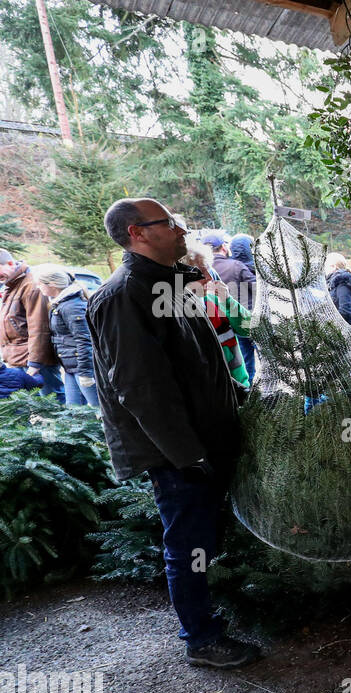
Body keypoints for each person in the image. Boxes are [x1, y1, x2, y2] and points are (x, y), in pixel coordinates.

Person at [87, 197, 258, 669]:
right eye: (170, 223)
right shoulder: (123, 295)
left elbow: (206, 365)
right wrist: (186, 454)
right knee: (190, 544)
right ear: (137, 233)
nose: (182, 229)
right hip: (178, 454)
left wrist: (236, 408)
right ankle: (202, 638)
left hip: (208, 438)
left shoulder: (174, 283)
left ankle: (214, 615)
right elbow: (139, 388)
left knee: (208, 536)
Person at [180, 238, 250, 389]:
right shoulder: (177, 313)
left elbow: (248, 327)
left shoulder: (215, 300)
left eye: (208, 269)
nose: (209, 278)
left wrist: (227, 300)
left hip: (241, 386)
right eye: (199, 273)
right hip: (213, 394)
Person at [31, 265, 97, 407]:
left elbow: (85, 340)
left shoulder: (72, 306)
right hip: (71, 368)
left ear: (52, 284)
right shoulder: (60, 304)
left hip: (82, 369)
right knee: (74, 412)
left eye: (40, 284)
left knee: (101, 409)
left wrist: (86, 373)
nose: (38, 288)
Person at [0, 249, 61, 401]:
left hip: (35, 361)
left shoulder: (31, 286)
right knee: (28, 406)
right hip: (17, 358)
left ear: (10, 263)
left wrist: (35, 363)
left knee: (53, 401)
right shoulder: (10, 285)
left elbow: (39, 328)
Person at [226, 233, 259, 378]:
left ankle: (249, 388)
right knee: (267, 356)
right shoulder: (252, 268)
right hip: (253, 316)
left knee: (246, 358)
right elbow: (258, 289)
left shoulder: (228, 265)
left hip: (236, 319)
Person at [325, 252, 351, 327]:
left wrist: (330, 324)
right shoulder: (334, 284)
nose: (324, 269)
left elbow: (345, 311)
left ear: (333, 267)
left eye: (326, 266)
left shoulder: (343, 284)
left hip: (345, 329)